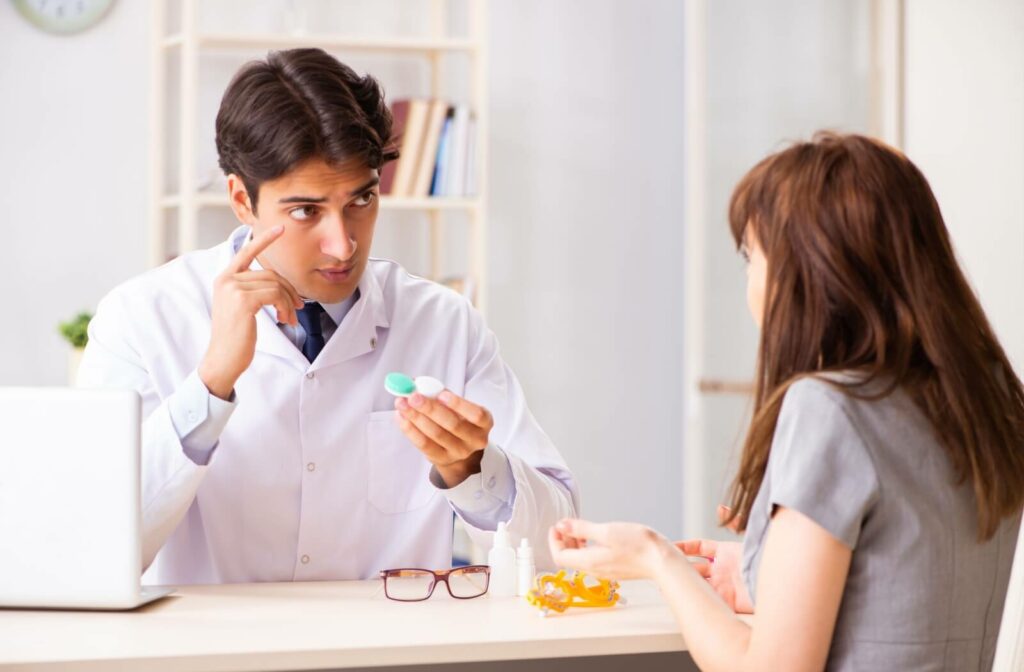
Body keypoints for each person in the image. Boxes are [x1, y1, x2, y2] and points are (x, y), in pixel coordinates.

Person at [78, 48, 578, 585]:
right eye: (305, 211)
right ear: (242, 200)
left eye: (361, 200)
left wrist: (471, 470)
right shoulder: (139, 318)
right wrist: (210, 384)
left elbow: (559, 547)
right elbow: (92, 555)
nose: (342, 244)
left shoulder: (444, 324)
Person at [549, 133, 1024, 671]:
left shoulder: (829, 409)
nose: (751, 281)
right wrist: (762, 573)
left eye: (752, 255)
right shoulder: (990, 398)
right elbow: (911, 591)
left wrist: (657, 559)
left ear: (809, 272)